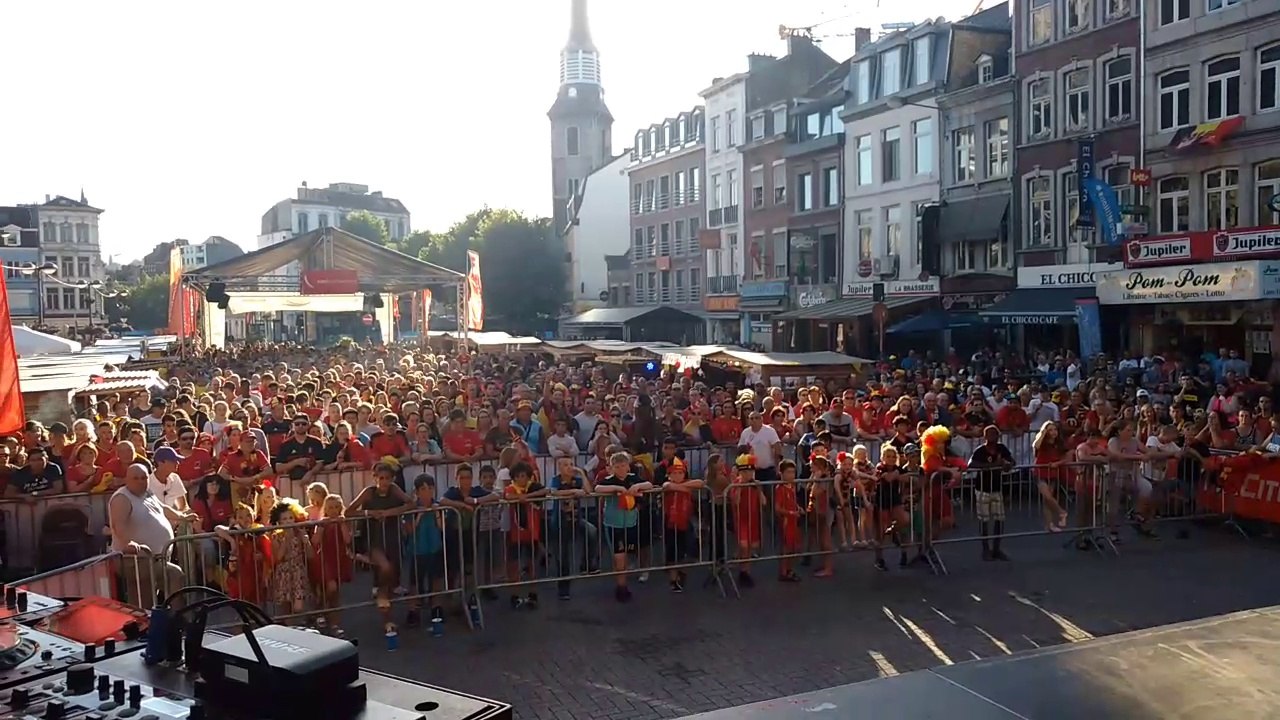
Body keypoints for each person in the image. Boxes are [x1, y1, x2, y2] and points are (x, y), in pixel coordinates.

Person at [108, 463, 197, 607]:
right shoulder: (121, 498)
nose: (141, 481)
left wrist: (181, 516)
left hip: (155, 558)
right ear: (127, 479)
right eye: (135, 478)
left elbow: (162, 509)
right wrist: (128, 542)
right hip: (135, 560)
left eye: (144, 478)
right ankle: (153, 623)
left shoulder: (148, 493)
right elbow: (118, 525)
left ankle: (174, 619)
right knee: (146, 596)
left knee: (170, 579)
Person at [969, 425, 1014, 561]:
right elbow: (971, 464)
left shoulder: (1002, 449)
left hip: (997, 488)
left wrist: (1007, 464)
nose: (993, 437)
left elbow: (1012, 461)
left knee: (999, 519)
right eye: (990, 435)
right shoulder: (980, 450)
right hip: (982, 488)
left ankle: (996, 548)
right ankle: (985, 549)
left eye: (995, 434)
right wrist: (993, 465)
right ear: (985, 436)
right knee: (984, 520)